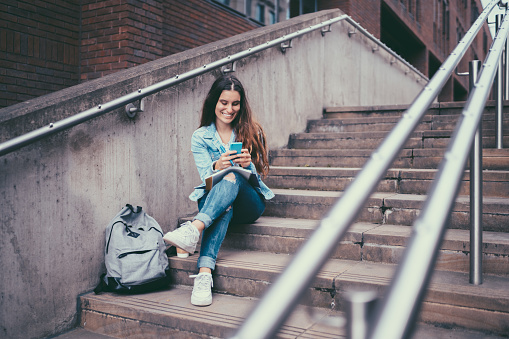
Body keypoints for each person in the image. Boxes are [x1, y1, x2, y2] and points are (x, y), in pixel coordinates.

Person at [163, 75, 274, 306]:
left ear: (241, 105)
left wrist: (248, 165)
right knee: (226, 184)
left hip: (250, 204)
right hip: (219, 200)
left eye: (235, 103)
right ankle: (204, 274)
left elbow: (258, 179)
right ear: (214, 102)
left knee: (234, 176)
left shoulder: (252, 131)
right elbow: (206, 178)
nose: (229, 109)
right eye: (224, 102)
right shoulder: (200, 137)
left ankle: (194, 229)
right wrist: (217, 166)